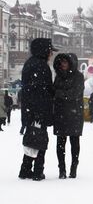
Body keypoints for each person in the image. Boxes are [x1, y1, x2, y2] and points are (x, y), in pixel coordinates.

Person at [19, 38, 56, 181]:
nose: (51, 54)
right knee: (40, 140)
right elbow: (41, 91)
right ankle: (37, 171)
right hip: (38, 111)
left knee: (31, 139)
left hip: (30, 110)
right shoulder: (41, 66)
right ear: (44, 51)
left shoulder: (30, 64)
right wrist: (41, 112)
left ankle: (25, 169)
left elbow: (30, 90)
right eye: (50, 51)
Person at [53, 53, 84, 179]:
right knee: (60, 143)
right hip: (60, 113)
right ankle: (62, 169)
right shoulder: (58, 76)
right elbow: (54, 91)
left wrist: (59, 93)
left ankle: (73, 168)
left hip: (74, 114)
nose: (63, 65)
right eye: (61, 62)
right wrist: (60, 93)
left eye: (65, 62)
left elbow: (74, 94)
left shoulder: (79, 77)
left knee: (74, 142)